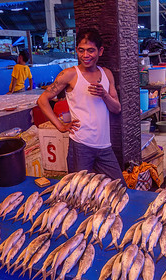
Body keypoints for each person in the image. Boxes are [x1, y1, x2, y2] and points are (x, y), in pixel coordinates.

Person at [36, 28, 126, 184]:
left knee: (119, 187)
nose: (85, 55)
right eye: (81, 50)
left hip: (104, 146)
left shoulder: (106, 73)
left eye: (91, 50)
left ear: (100, 51)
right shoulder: (70, 74)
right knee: (79, 190)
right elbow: (42, 100)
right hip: (81, 145)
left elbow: (116, 109)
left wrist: (104, 95)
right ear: (76, 50)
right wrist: (60, 126)